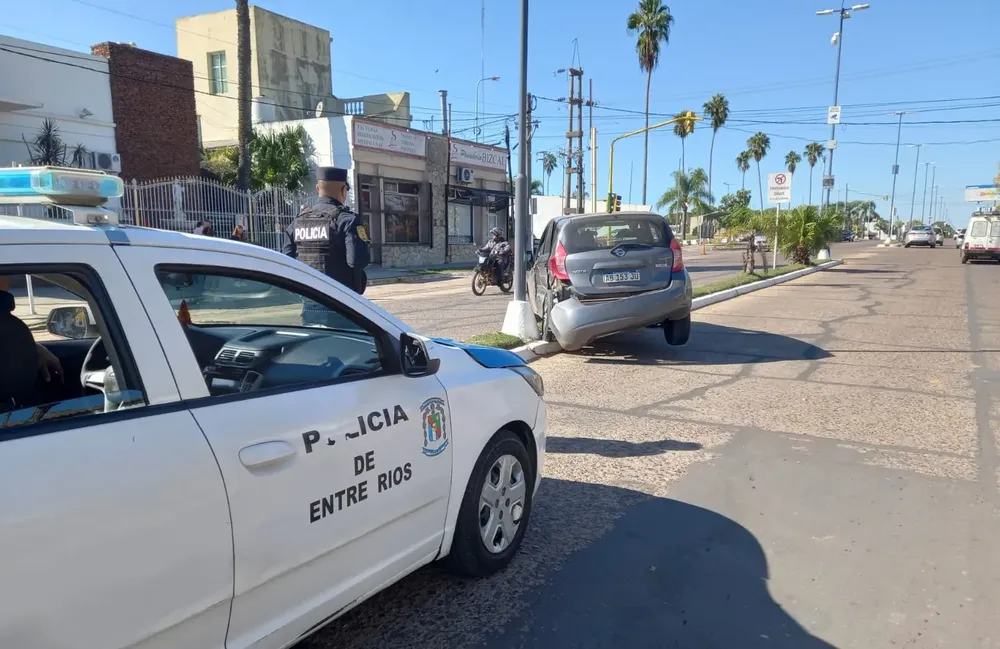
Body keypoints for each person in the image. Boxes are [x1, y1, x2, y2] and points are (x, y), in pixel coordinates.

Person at [281, 167, 371, 326]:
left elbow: (286, 261)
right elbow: (358, 261)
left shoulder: (297, 221)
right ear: (343, 189)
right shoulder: (347, 220)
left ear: (317, 189)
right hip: (342, 306)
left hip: (309, 305)